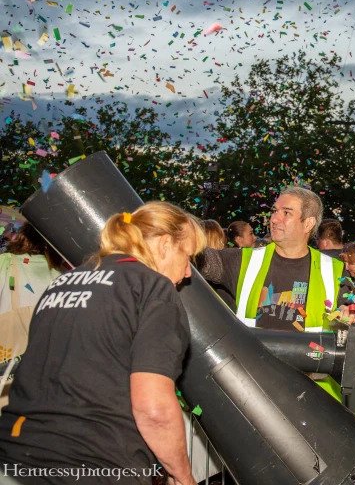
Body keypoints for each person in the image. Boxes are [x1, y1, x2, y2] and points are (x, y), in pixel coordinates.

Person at [0, 202, 204, 484]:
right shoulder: (153, 288)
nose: (188, 273)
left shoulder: (63, 282)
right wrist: (182, 475)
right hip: (94, 463)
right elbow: (152, 407)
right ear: (166, 244)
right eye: (188, 257)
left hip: (17, 456)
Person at [199, 186, 349, 400]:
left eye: (286, 213)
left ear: (308, 223)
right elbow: (199, 260)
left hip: (314, 401)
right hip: (253, 394)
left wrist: (350, 319)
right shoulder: (244, 261)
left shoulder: (335, 272)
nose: (274, 219)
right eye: (274, 211)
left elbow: (352, 334)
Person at [0, 223, 65, 407]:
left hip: (7, 371)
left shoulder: (5, 262)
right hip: (50, 374)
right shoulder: (66, 273)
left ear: (22, 237)